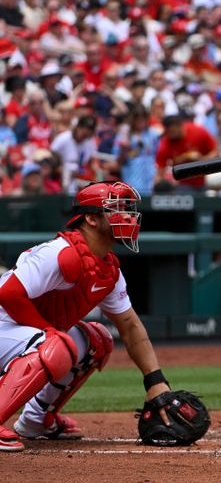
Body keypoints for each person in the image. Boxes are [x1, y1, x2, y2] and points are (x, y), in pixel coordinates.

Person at [0, 181, 173, 452]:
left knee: (97, 341)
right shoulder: (61, 253)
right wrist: (48, 331)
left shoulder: (107, 269)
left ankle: (36, 420)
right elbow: (9, 294)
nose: (127, 217)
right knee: (54, 344)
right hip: (4, 324)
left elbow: (130, 326)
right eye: (117, 210)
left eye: (128, 210)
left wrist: (156, 381)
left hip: (19, 335)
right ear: (91, 219)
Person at [155, 115, 218, 190]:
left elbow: (216, 151)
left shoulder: (198, 131)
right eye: (168, 132)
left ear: (180, 126)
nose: (170, 135)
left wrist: (202, 159)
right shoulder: (166, 143)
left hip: (204, 180)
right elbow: (160, 170)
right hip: (182, 184)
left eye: (172, 131)